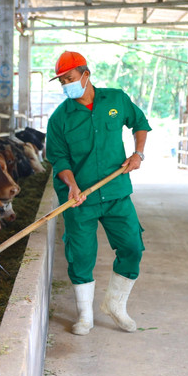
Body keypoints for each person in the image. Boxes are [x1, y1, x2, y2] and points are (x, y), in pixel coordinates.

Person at [45, 51, 150, 335]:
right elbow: (59, 159)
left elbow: (140, 123)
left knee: (132, 247)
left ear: (85, 74)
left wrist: (138, 153)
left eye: (69, 78)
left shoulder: (116, 99)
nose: (65, 85)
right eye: (61, 81)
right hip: (81, 200)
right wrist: (71, 185)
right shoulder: (60, 119)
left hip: (116, 192)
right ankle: (85, 315)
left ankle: (115, 305)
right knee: (80, 255)